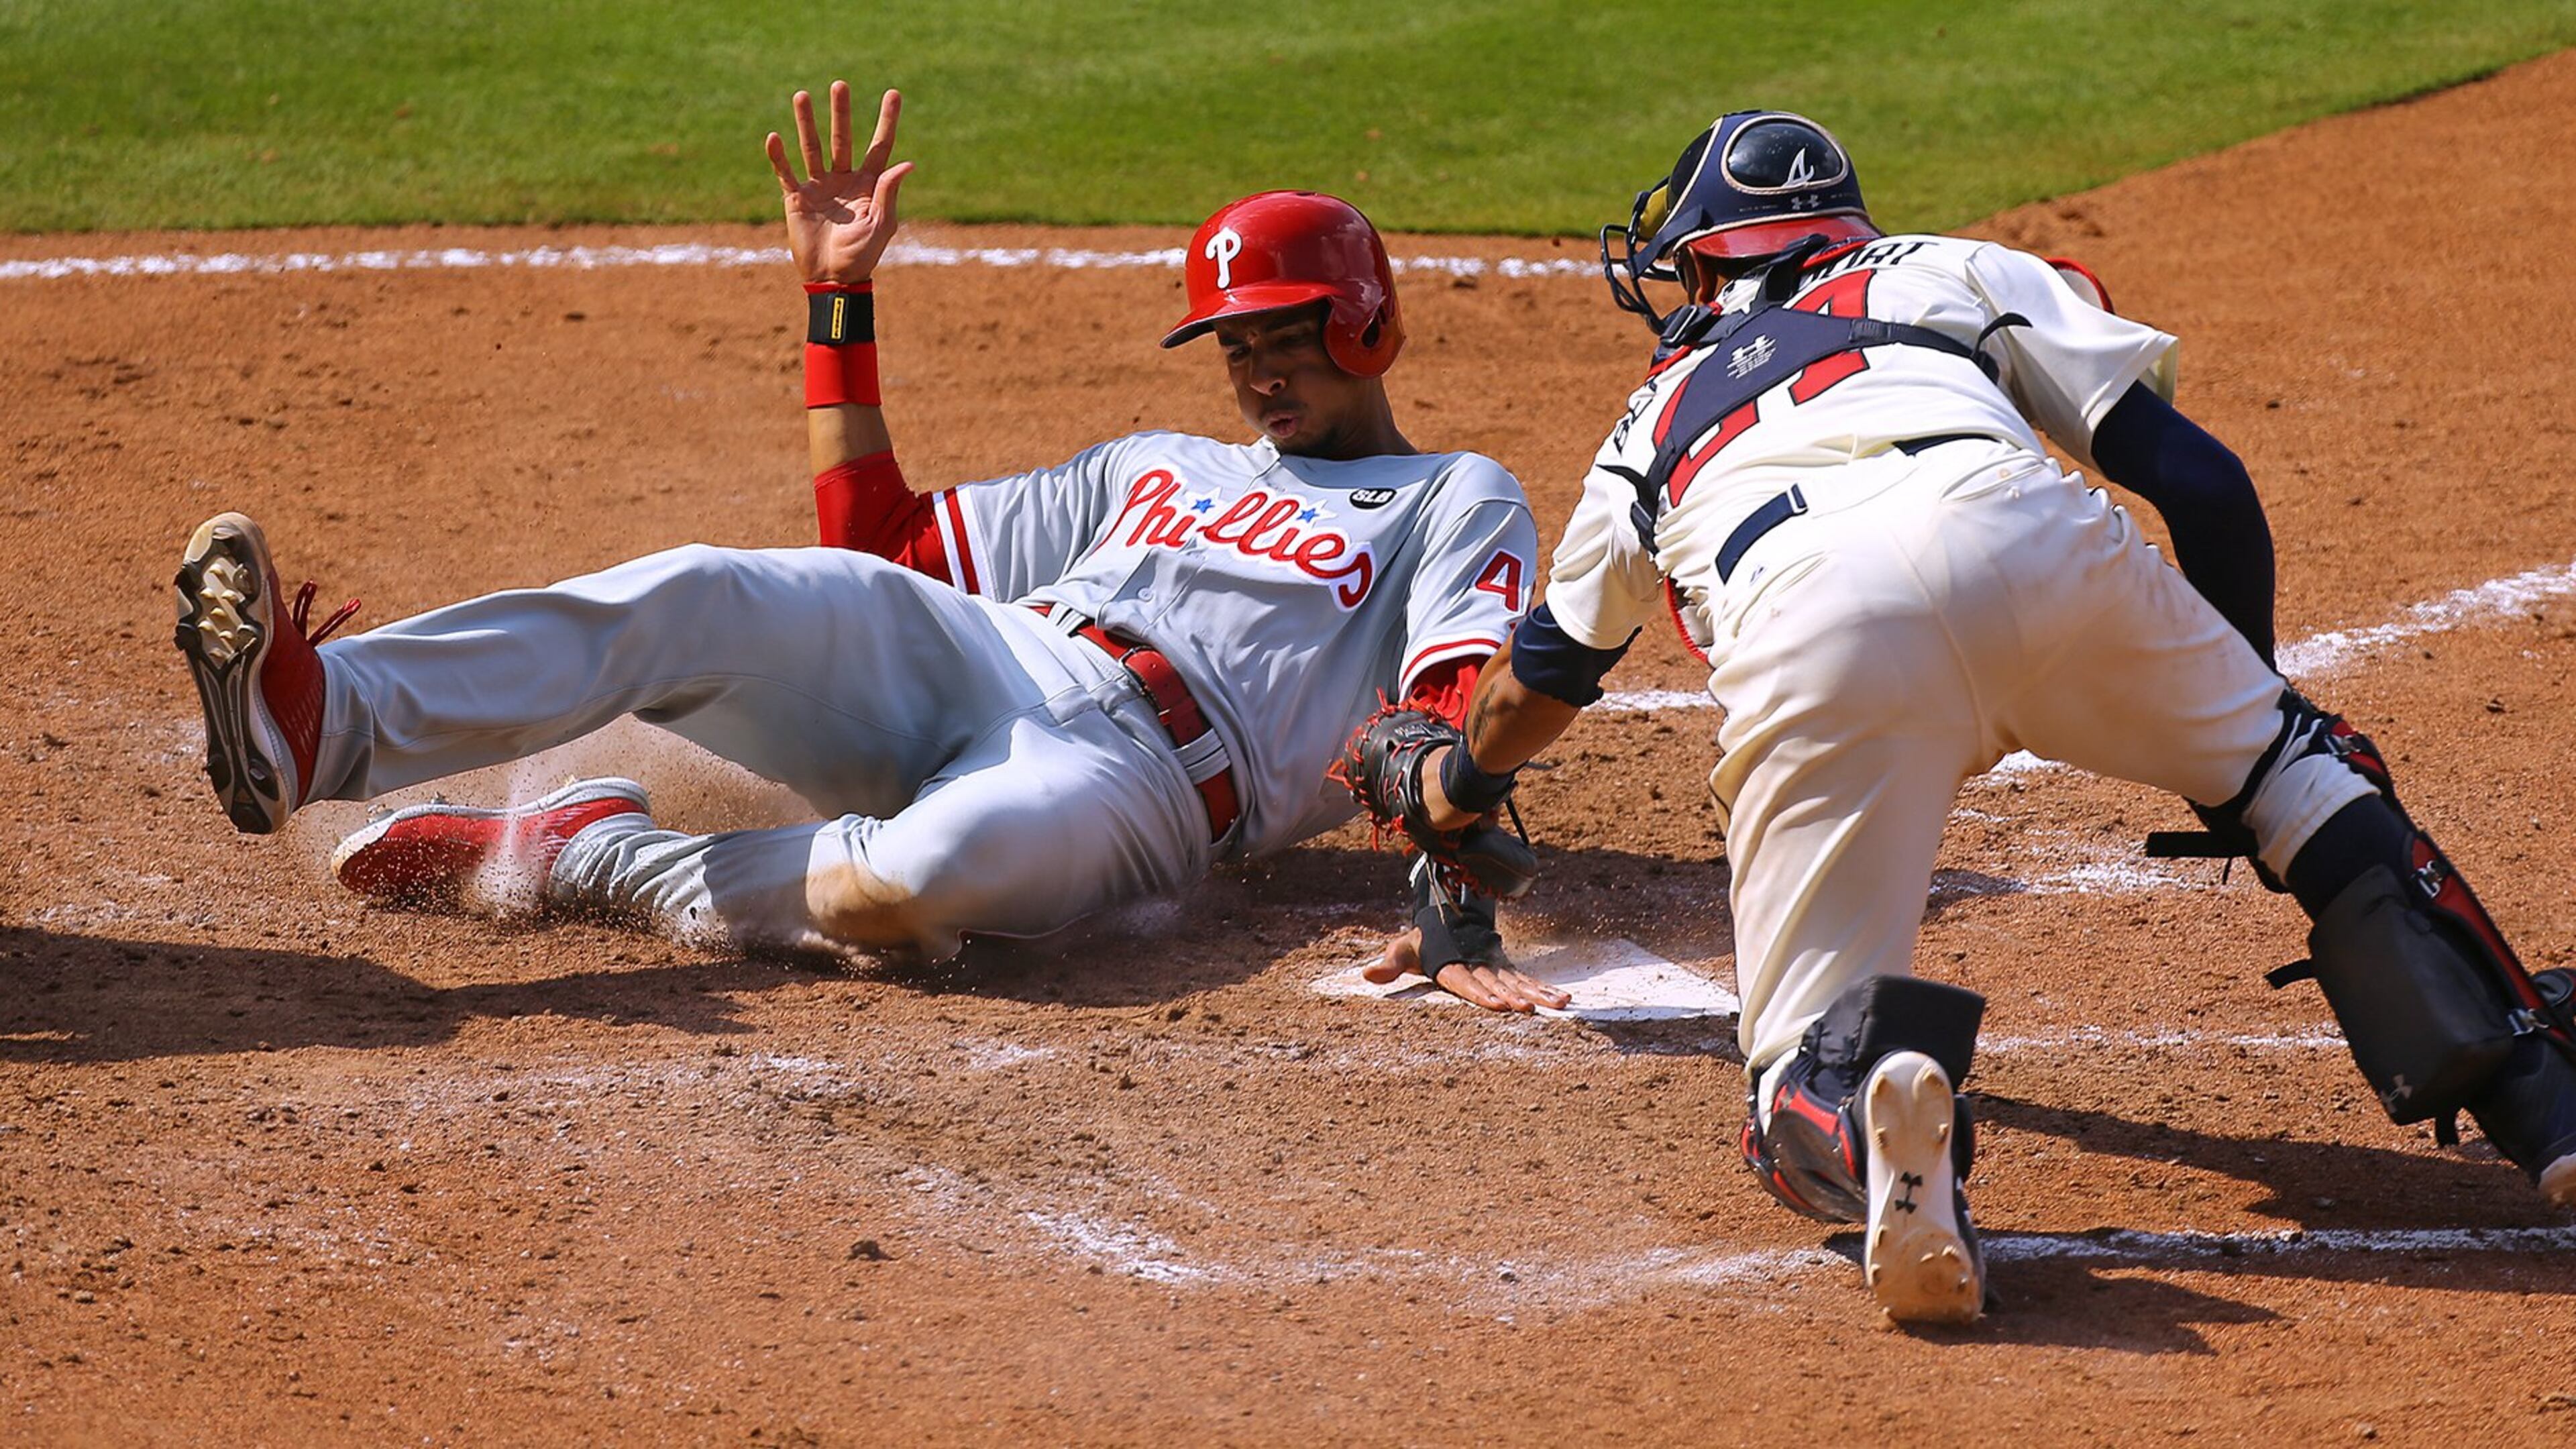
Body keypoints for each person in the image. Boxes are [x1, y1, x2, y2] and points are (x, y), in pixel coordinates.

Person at [1403, 111, 2576, 1322]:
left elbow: (1543, 676)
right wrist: (2248, 717)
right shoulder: (1953, 267)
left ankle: (1876, 1121)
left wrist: (1456, 792)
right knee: (2308, 780)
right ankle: (2546, 1106)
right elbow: (2204, 484)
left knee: (1795, 1068)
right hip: (2024, 535)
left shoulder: (1644, 426)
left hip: (1813, 627)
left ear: (1703, 265)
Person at [174, 80, 1570, 1012]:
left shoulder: (1455, 495)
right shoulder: (1160, 463)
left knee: (906, 884)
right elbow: (889, 546)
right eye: (1239, 346)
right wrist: (837, 297)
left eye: (1291, 337)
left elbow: (1457, 707)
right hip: (991, 651)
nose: (1262, 371)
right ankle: (321, 717)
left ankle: (591, 857)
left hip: (1143, 784)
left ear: (1366, 325)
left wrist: (1453, 902)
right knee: (704, 588)